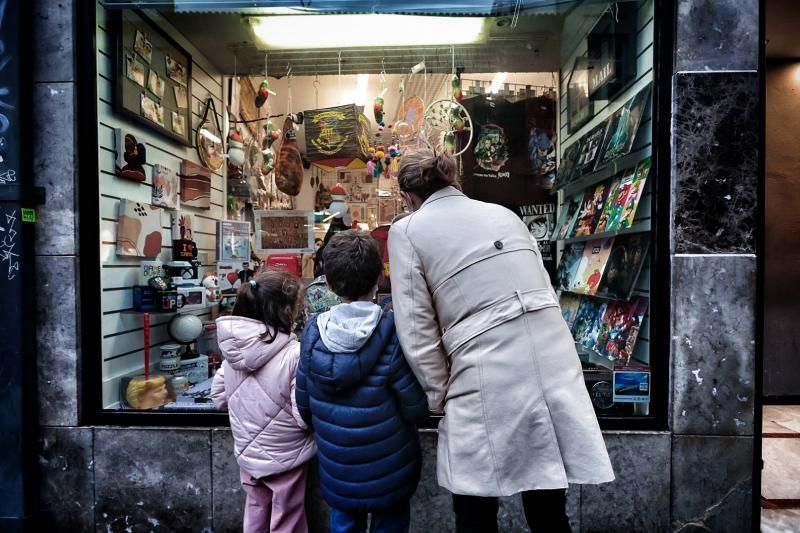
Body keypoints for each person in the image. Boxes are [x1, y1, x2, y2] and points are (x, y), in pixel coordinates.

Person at [388, 149, 615, 533]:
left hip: (485, 368)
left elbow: (416, 330)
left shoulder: (408, 229)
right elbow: (544, 288)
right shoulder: (503, 214)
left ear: (408, 195)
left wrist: (439, 394)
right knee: (547, 502)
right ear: (452, 178)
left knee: (475, 505)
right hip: (553, 359)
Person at [295, 230, 429, 533]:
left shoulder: (312, 333)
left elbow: (303, 407)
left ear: (328, 283)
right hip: (390, 469)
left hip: (338, 466)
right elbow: (415, 408)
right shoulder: (392, 332)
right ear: (379, 278)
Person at [210, 270, 315, 533]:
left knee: (255, 510)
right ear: (287, 312)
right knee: (287, 517)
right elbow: (302, 414)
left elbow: (219, 397)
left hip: (248, 451)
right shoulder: (294, 354)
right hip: (286, 453)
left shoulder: (232, 352)